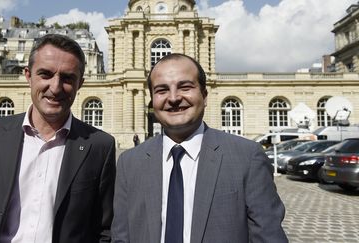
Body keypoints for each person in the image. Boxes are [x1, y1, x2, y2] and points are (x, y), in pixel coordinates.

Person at [0, 34, 116, 243]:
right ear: (28, 75)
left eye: (67, 78)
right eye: (45, 74)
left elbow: (104, 229)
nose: (55, 88)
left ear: (80, 83)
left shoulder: (100, 146)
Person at [111, 53, 288, 243]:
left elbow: (269, 238)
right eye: (161, 90)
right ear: (153, 99)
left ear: (204, 96)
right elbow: (122, 236)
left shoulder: (247, 157)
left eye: (185, 87)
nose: (173, 98)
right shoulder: (129, 163)